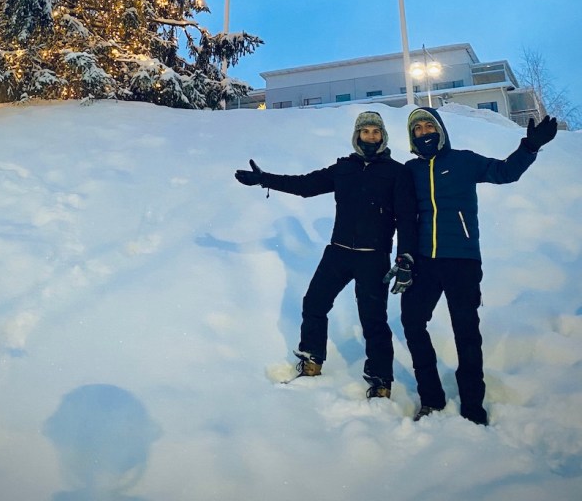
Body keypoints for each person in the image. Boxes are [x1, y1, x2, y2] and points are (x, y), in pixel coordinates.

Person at [235, 111, 416, 397]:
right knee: (314, 303)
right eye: (365, 131)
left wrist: (405, 257)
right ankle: (312, 359)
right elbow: (305, 185)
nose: (370, 136)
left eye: (375, 132)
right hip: (338, 253)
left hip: (373, 257)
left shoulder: (396, 172)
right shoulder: (344, 168)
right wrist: (264, 179)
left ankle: (381, 379)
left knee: (373, 319)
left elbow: (406, 218)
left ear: (383, 136)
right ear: (357, 135)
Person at [400, 106, 558, 426]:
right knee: (412, 321)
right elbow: (399, 211)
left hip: (462, 260)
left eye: (429, 126)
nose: (424, 132)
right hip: (425, 262)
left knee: (466, 332)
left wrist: (529, 147)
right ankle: (431, 398)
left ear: (440, 129)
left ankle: (473, 406)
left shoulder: (464, 160)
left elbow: (504, 172)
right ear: (412, 136)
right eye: (417, 128)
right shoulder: (410, 170)